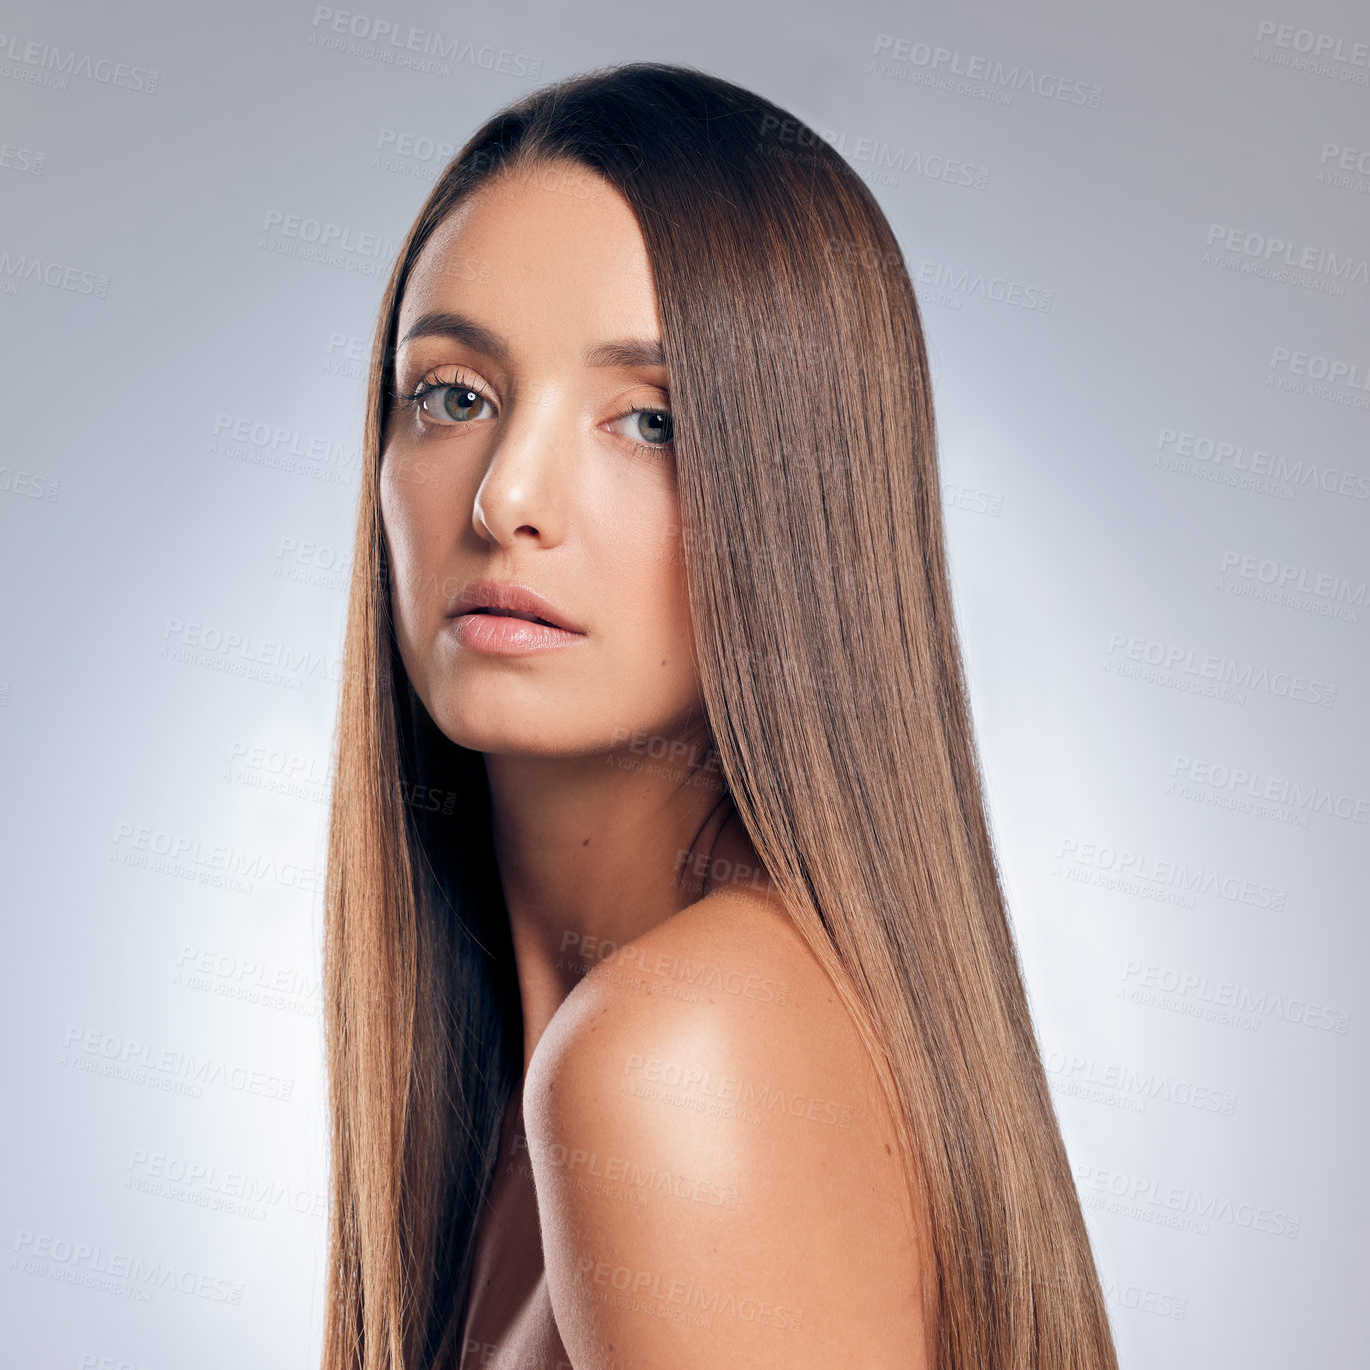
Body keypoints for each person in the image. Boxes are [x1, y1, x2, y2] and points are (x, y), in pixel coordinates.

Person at [320, 61, 1119, 1370]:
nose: (507, 495)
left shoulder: (671, 1062)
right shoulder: (565, 1072)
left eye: (650, 420)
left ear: (802, 507)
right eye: (454, 396)